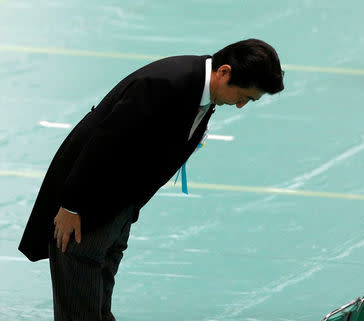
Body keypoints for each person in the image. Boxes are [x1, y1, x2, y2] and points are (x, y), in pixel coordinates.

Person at [18, 38, 284, 321]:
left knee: (96, 303)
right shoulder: (166, 84)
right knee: (79, 306)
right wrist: (71, 206)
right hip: (87, 210)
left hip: (117, 209)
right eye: (244, 96)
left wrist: (127, 215)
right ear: (224, 72)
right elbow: (102, 144)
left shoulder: (200, 90)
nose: (241, 105)